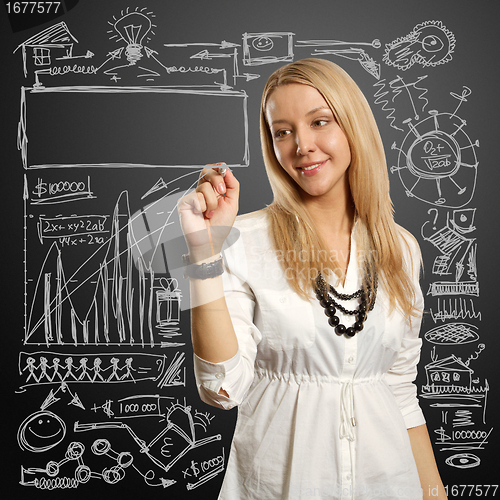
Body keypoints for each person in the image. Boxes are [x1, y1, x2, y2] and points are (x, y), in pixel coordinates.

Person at [178, 58, 446, 500]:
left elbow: (400, 390)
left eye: (320, 121)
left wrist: (434, 493)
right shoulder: (241, 239)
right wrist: (203, 254)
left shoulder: (402, 248)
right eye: (282, 131)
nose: (302, 144)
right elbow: (221, 388)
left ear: (353, 126)